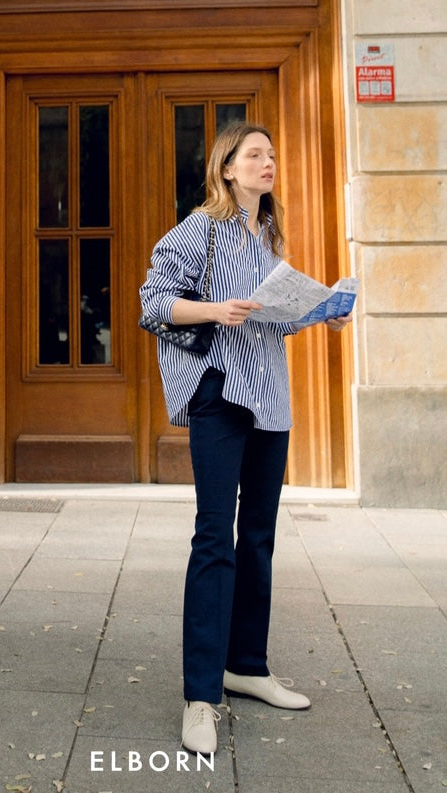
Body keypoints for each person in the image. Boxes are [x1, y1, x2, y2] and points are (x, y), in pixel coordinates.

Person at [139, 121, 352, 756]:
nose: (269, 163)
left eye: (273, 155)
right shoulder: (201, 228)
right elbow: (153, 303)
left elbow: (271, 320)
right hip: (220, 394)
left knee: (258, 535)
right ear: (227, 168)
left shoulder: (270, 237)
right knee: (215, 538)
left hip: (270, 401)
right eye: (255, 154)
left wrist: (321, 316)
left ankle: (247, 668)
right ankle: (201, 695)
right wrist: (214, 309)